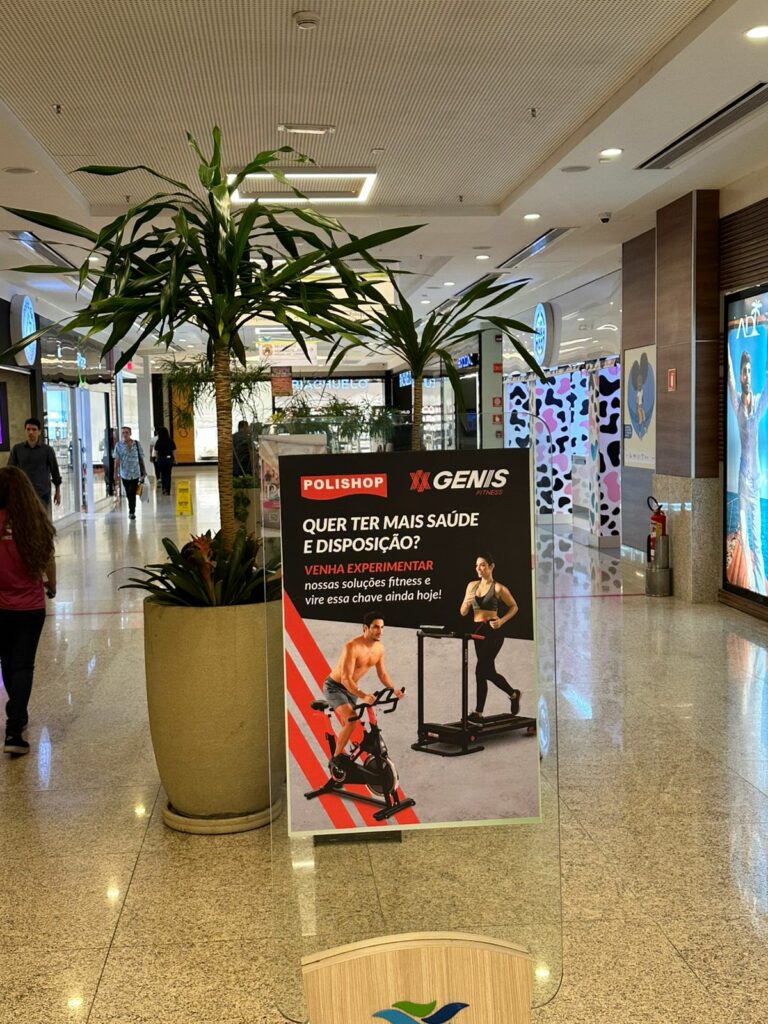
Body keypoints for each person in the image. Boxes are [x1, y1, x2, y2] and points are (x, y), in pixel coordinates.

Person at [0, 466, 56, 755]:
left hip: (1, 606)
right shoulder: (34, 521)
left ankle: (17, 713)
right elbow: (48, 558)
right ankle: (14, 726)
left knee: (8, 662)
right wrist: (52, 585)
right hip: (30, 607)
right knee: (23, 665)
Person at [321, 612, 404, 765]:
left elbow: (382, 674)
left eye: (382, 627)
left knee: (354, 725)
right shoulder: (352, 646)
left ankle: (348, 755)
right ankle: (336, 759)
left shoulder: (379, 649)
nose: (380, 631)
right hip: (335, 687)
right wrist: (364, 696)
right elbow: (345, 679)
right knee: (352, 720)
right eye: (376, 627)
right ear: (365, 627)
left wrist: (393, 689)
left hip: (351, 688)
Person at [460, 552, 521, 725]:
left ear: (491, 567)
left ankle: (478, 713)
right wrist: (467, 602)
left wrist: (501, 621)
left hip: (494, 632)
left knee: (481, 671)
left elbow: (514, 606)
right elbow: (463, 612)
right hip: (478, 631)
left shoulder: (499, 588)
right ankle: (513, 694)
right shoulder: (471, 586)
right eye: (477, 566)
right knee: (488, 672)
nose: (479, 568)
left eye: (483, 565)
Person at [728, 351, 768, 594]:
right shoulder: (737, 406)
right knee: (744, 536)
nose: (747, 375)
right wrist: (728, 355)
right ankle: (750, 586)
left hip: (756, 481)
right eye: (744, 371)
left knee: (757, 539)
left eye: (749, 371)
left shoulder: (758, 405)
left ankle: (760, 588)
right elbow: (730, 379)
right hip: (743, 481)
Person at [7, 417, 62, 511]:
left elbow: (55, 472)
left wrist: (58, 492)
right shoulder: (17, 449)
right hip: (22, 494)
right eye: (28, 429)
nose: (31, 432)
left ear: (39, 432)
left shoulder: (47, 450)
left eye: (34, 429)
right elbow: (10, 471)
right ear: (25, 431)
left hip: (42, 494)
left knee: (42, 518)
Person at [112, 426, 146, 521]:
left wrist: (144, 471)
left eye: (126, 432)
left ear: (130, 433)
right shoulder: (119, 445)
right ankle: (132, 509)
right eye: (123, 433)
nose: (125, 434)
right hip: (125, 474)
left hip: (135, 473)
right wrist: (115, 473)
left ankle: (132, 512)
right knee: (128, 493)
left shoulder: (137, 444)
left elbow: (141, 458)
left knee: (132, 492)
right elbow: (117, 461)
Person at [152, 426, 176, 496]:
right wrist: (175, 459)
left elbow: (156, 451)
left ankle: (164, 489)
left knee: (162, 474)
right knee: (168, 474)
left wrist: (157, 458)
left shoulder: (158, 441)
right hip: (169, 459)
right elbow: (173, 451)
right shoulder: (170, 441)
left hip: (161, 459)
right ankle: (167, 490)